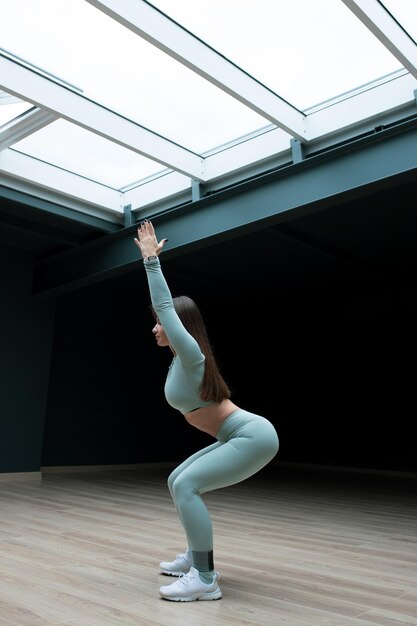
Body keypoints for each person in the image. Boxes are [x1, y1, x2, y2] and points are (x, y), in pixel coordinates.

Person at [134, 220, 279, 602]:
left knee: (186, 484)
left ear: (176, 326)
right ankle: (194, 558)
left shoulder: (190, 354)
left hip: (251, 435)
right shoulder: (179, 361)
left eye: (159, 325)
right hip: (237, 435)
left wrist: (151, 260)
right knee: (176, 480)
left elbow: (166, 306)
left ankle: (205, 578)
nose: (155, 329)